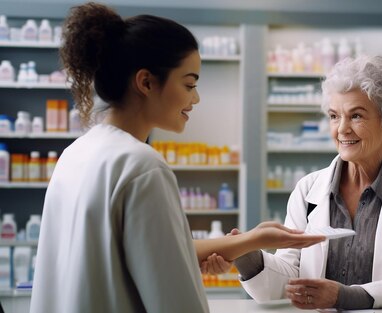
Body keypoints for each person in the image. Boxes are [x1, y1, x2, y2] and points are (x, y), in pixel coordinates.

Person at [29, 3, 324, 313]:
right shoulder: (141, 166)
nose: (195, 98)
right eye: (189, 84)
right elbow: (175, 300)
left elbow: (156, 251)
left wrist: (250, 240)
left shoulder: (76, 153)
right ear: (146, 82)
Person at [206, 55, 382, 310]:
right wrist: (248, 256)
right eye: (334, 116)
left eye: (356, 116)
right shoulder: (308, 189)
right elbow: (289, 277)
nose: (342, 129)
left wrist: (345, 297)